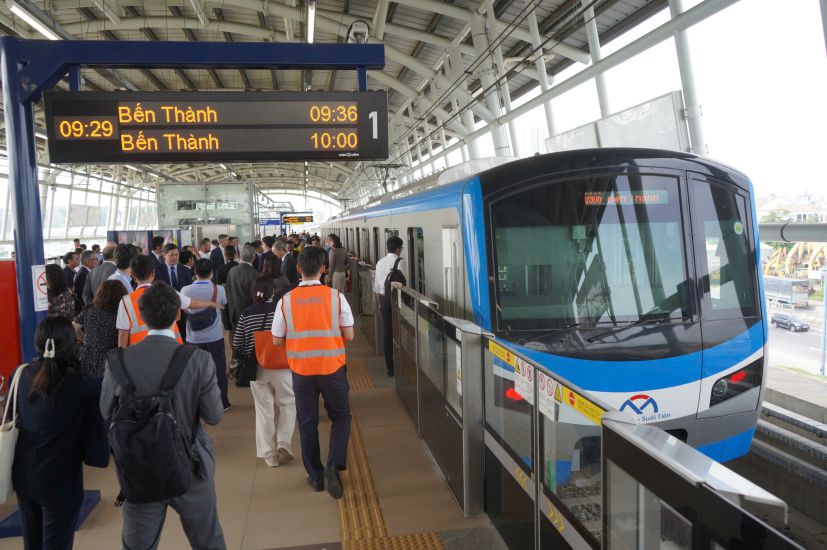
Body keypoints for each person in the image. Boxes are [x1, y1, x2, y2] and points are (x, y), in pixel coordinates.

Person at [100, 282, 227, 550]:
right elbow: (214, 415)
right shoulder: (198, 360)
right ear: (178, 315)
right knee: (208, 541)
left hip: (139, 469)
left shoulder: (117, 362)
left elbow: (106, 411)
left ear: (142, 316)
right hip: (191, 466)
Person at [13, 316, 109, 550]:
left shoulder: (24, 375)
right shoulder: (81, 384)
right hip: (60, 481)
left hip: (24, 476)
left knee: (32, 544)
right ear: (70, 345)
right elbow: (115, 386)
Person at [272, 246, 355, 499]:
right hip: (332, 369)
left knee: (308, 423)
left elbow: (276, 340)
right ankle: (333, 464)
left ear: (298, 269)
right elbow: (349, 335)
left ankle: (316, 476)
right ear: (323, 269)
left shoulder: (285, 301)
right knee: (341, 417)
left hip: (302, 371)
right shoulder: (336, 297)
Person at [234, 277, 294, 467]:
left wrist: (247, 356)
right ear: (274, 292)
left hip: (257, 368)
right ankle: (284, 441)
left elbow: (237, 344)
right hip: (282, 367)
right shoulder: (282, 310)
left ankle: (270, 455)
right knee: (288, 403)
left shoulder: (246, 314)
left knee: (264, 410)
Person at [116, 255, 220, 348]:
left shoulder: (125, 301)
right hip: (171, 350)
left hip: (139, 352)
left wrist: (122, 359)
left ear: (132, 275)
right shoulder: (168, 291)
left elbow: (123, 333)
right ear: (153, 273)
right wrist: (209, 303)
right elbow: (191, 304)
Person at [182, 260, 231, 410]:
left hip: (193, 338)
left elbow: (184, 308)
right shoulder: (218, 290)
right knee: (219, 369)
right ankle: (222, 402)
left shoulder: (185, 290)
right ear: (211, 273)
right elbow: (223, 304)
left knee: (195, 371)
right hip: (214, 336)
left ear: (195, 273)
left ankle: (197, 403)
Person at [78, 280, 127, 378]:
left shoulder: (88, 308)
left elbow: (74, 326)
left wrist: (84, 339)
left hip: (86, 356)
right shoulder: (120, 314)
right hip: (109, 360)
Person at [374, 236, 406, 377]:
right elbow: (404, 285)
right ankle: (402, 363)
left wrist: (380, 304)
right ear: (398, 249)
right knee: (401, 331)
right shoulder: (401, 262)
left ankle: (390, 368)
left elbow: (377, 288)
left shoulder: (380, 262)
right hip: (398, 301)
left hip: (385, 301)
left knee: (388, 333)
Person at [225, 245, 260, 331]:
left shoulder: (232, 271)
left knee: (237, 341)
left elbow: (227, 290)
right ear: (254, 257)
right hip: (251, 315)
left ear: (240, 256)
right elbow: (259, 295)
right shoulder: (255, 274)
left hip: (234, 313)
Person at [73, 249, 99, 315]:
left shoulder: (86, 272)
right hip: (86, 310)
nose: (97, 261)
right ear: (88, 262)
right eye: (95, 259)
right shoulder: (83, 274)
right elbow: (83, 295)